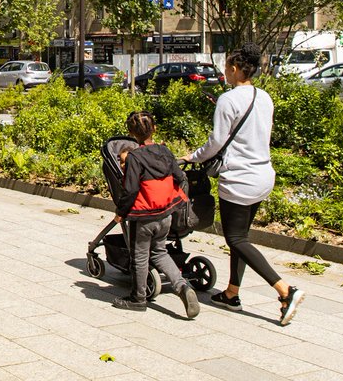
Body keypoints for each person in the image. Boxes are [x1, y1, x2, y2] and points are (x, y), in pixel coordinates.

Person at [183, 42, 305, 326]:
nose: (225, 72)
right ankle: (231, 293)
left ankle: (285, 291)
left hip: (240, 179)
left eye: (227, 67)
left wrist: (194, 156)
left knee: (236, 238)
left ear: (236, 69)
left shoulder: (228, 99)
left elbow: (216, 142)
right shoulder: (265, 97)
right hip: (263, 175)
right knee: (242, 237)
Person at [113, 111, 200, 318]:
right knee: (160, 252)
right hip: (165, 215)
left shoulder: (134, 156)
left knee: (140, 257)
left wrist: (121, 212)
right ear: (155, 129)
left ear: (131, 133)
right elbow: (180, 177)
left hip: (143, 217)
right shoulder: (164, 151)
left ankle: (138, 298)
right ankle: (182, 287)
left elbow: (131, 189)